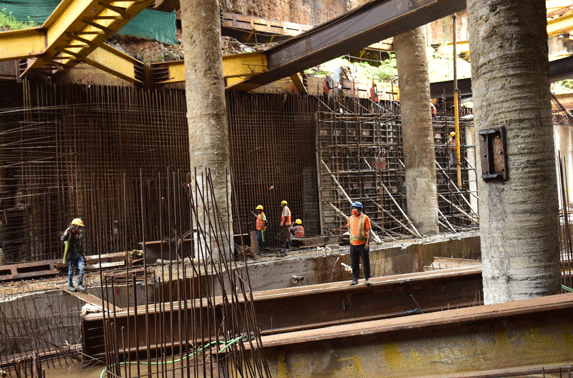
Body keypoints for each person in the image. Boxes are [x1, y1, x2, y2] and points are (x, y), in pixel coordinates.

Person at [347, 201, 372, 286]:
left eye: (355, 208)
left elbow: (369, 230)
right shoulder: (350, 218)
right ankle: (355, 279)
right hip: (353, 244)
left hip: (363, 244)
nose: (353, 210)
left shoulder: (365, 218)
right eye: (352, 208)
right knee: (354, 262)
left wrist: (367, 243)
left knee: (365, 262)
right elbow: (349, 227)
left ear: (360, 209)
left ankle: (367, 278)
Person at [61, 218, 86, 292]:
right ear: (74, 227)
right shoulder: (69, 234)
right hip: (70, 255)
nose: (80, 229)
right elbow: (62, 239)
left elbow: (80, 247)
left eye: (80, 227)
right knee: (71, 271)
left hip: (78, 255)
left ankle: (80, 284)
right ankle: (70, 285)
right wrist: (66, 231)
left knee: (82, 268)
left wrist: (83, 257)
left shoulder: (79, 236)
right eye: (78, 227)